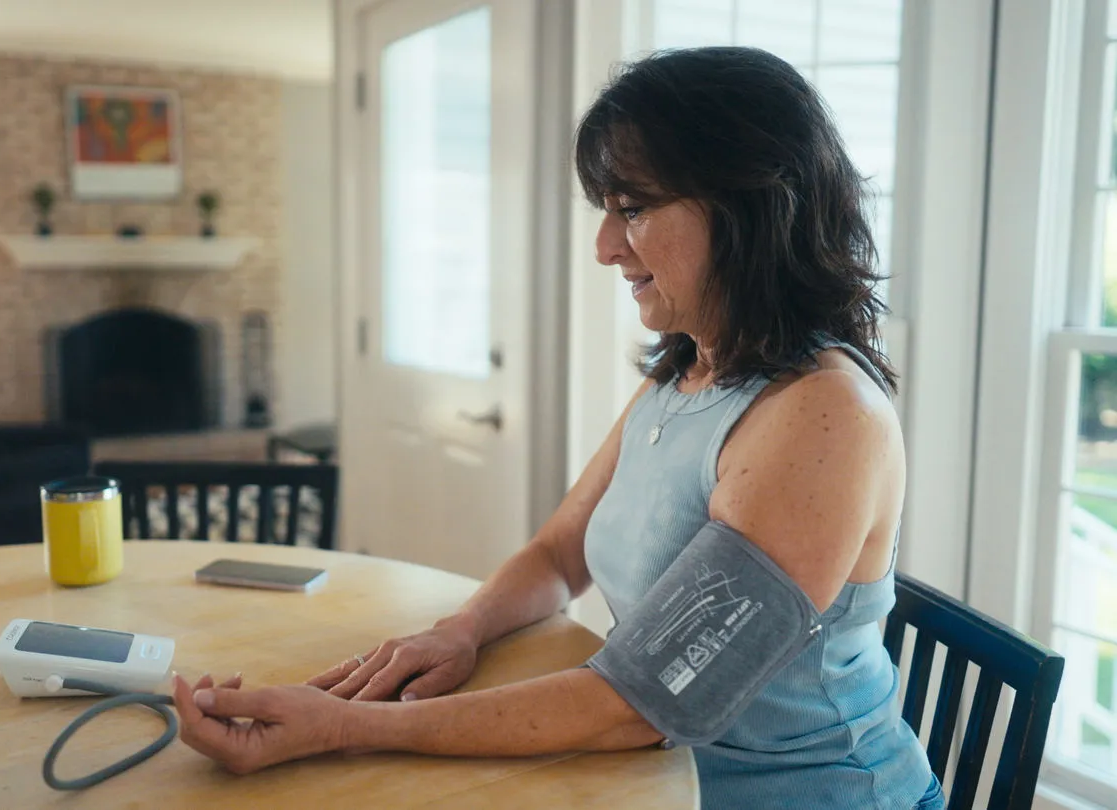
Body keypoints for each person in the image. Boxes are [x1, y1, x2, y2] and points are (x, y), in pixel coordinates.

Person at [170, 46, 945, 809]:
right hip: (650, 779)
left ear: (748, 206)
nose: (607, 247)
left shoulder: (824, 418)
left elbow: (637, 703)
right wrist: (461, 630)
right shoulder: (685, 370)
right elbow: (559, 550)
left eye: (632, 210)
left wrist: (346, 726)